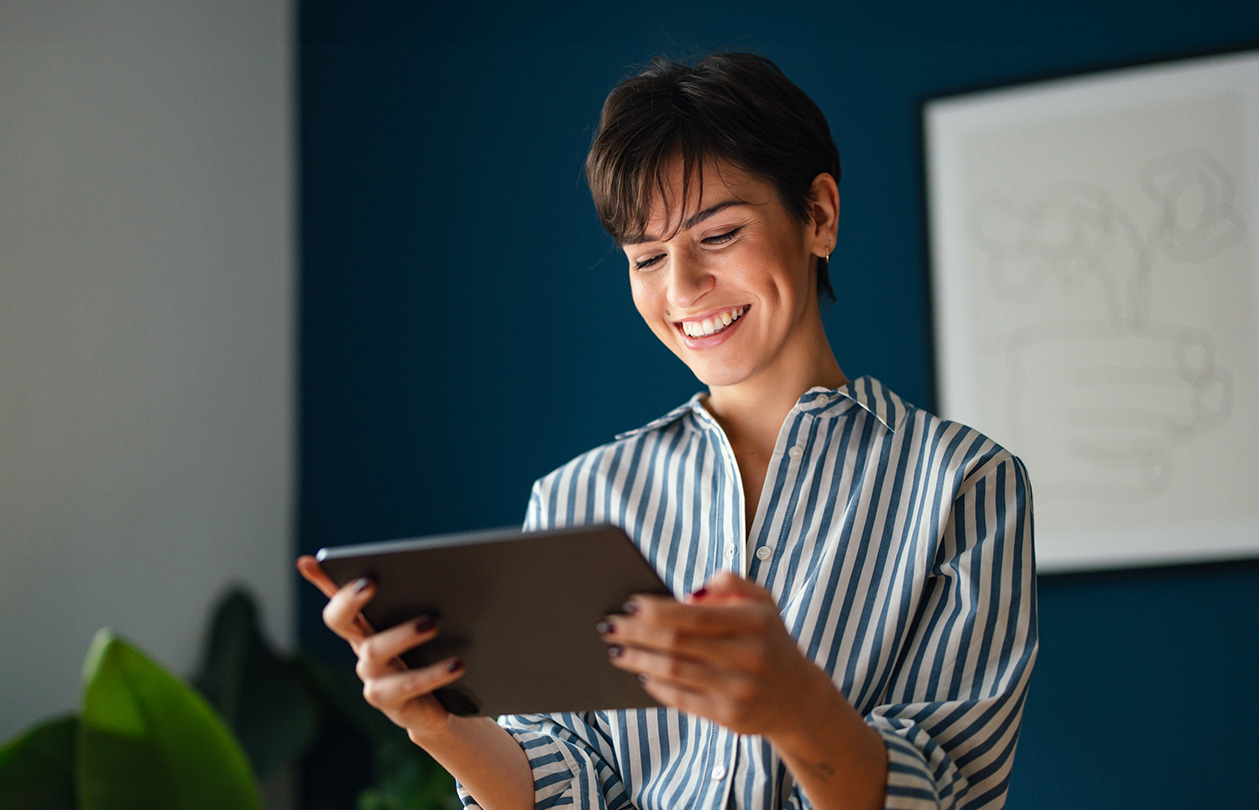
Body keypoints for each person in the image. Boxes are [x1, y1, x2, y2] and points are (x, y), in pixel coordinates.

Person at [299, 52, 1037, 810]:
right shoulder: (575, 496)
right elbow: (566, 785)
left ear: (818, 215)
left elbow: (944, 794)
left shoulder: (964, 484)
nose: (681, 289)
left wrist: (797, 709)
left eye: (717, 236)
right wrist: (438, 726)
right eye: (646, 257)